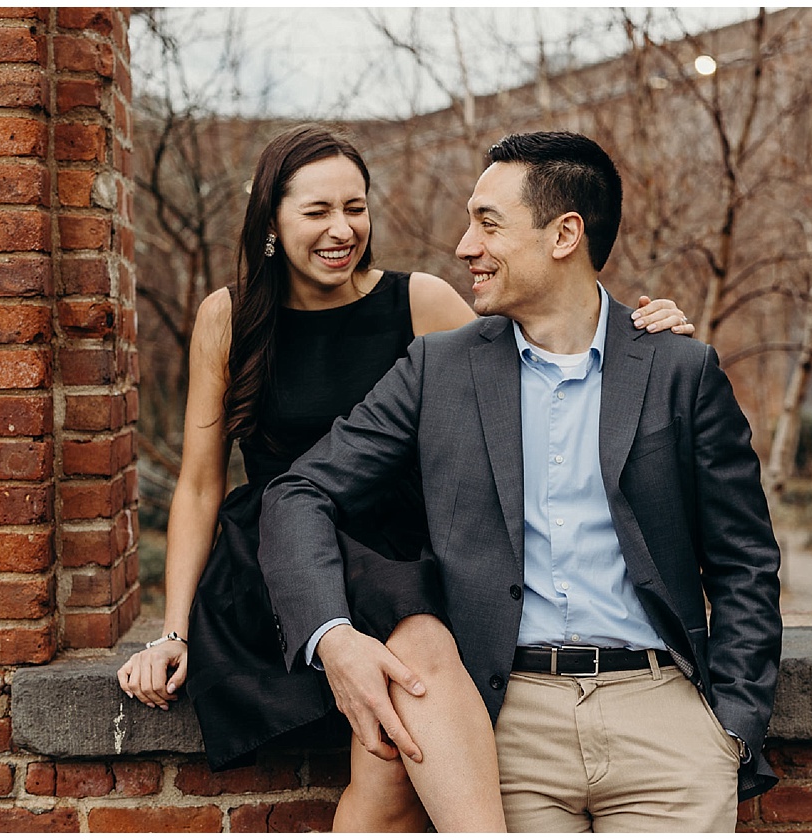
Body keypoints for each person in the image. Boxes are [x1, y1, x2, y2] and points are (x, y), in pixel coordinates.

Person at [112, 125, 696, 831]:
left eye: (354, 207)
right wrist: (173, 634)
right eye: (316, 211)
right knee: (402, 693)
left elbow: (551, 344)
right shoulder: (229, 318)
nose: (341, 229)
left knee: (390, 750)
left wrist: (642, 330)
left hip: (401, 547)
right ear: (271, 220)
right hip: (285, 547)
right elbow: (201, 485)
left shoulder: (418, 300)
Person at [257, 130, 782, 831]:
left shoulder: (679, 370)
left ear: (564, 234)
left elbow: (745, 560)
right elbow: (298, 493)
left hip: (667, 725)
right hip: (505, 722)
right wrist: (333, 635)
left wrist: (734, 726)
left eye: (487, 223)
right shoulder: (436, 371)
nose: (464, 246)